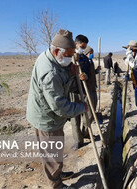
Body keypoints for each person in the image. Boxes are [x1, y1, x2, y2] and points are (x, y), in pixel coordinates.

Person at [26, 29, 88, 188]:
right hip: (47, 117)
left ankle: (58, 173)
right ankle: (55, 184)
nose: (70, 58)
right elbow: (60, 107)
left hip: (53, 116)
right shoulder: (49, 72)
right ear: (56, 51)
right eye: (68, 55)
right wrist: (81, 107)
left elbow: (63, 72)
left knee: (56, 148)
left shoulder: (54, 58)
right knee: (51, 154)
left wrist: (71, 71)